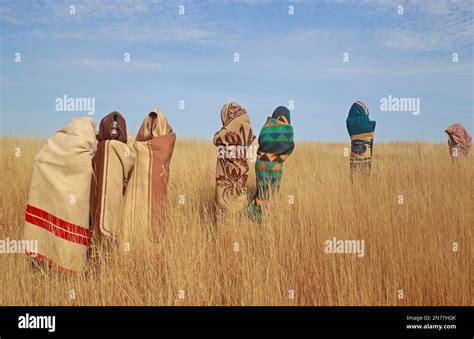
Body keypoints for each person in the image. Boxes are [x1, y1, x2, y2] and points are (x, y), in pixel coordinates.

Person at [248, 106, 295, 221]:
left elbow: (260, 141)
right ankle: (262, 219)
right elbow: (290, 147)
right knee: (271, 195)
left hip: (260, 163)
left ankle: (251, 215)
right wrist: (278, 156)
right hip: (274, 166)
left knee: (261, 192)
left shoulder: (266, 126)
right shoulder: (287, 129)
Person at [213, 102, 256, 224]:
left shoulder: (229, 128)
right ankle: (238, 230)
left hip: (226, 178)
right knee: (238, 201)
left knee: (225, 204)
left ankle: (225, 235)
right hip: (240, 176)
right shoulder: (245, 125)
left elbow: (216, 138)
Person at [346, 101, 376, 179]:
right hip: (366, 155)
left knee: (354, 177)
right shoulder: (367, 124)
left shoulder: (349, 122)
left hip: (354, 156)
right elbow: (372, 126)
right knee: (365, 178)